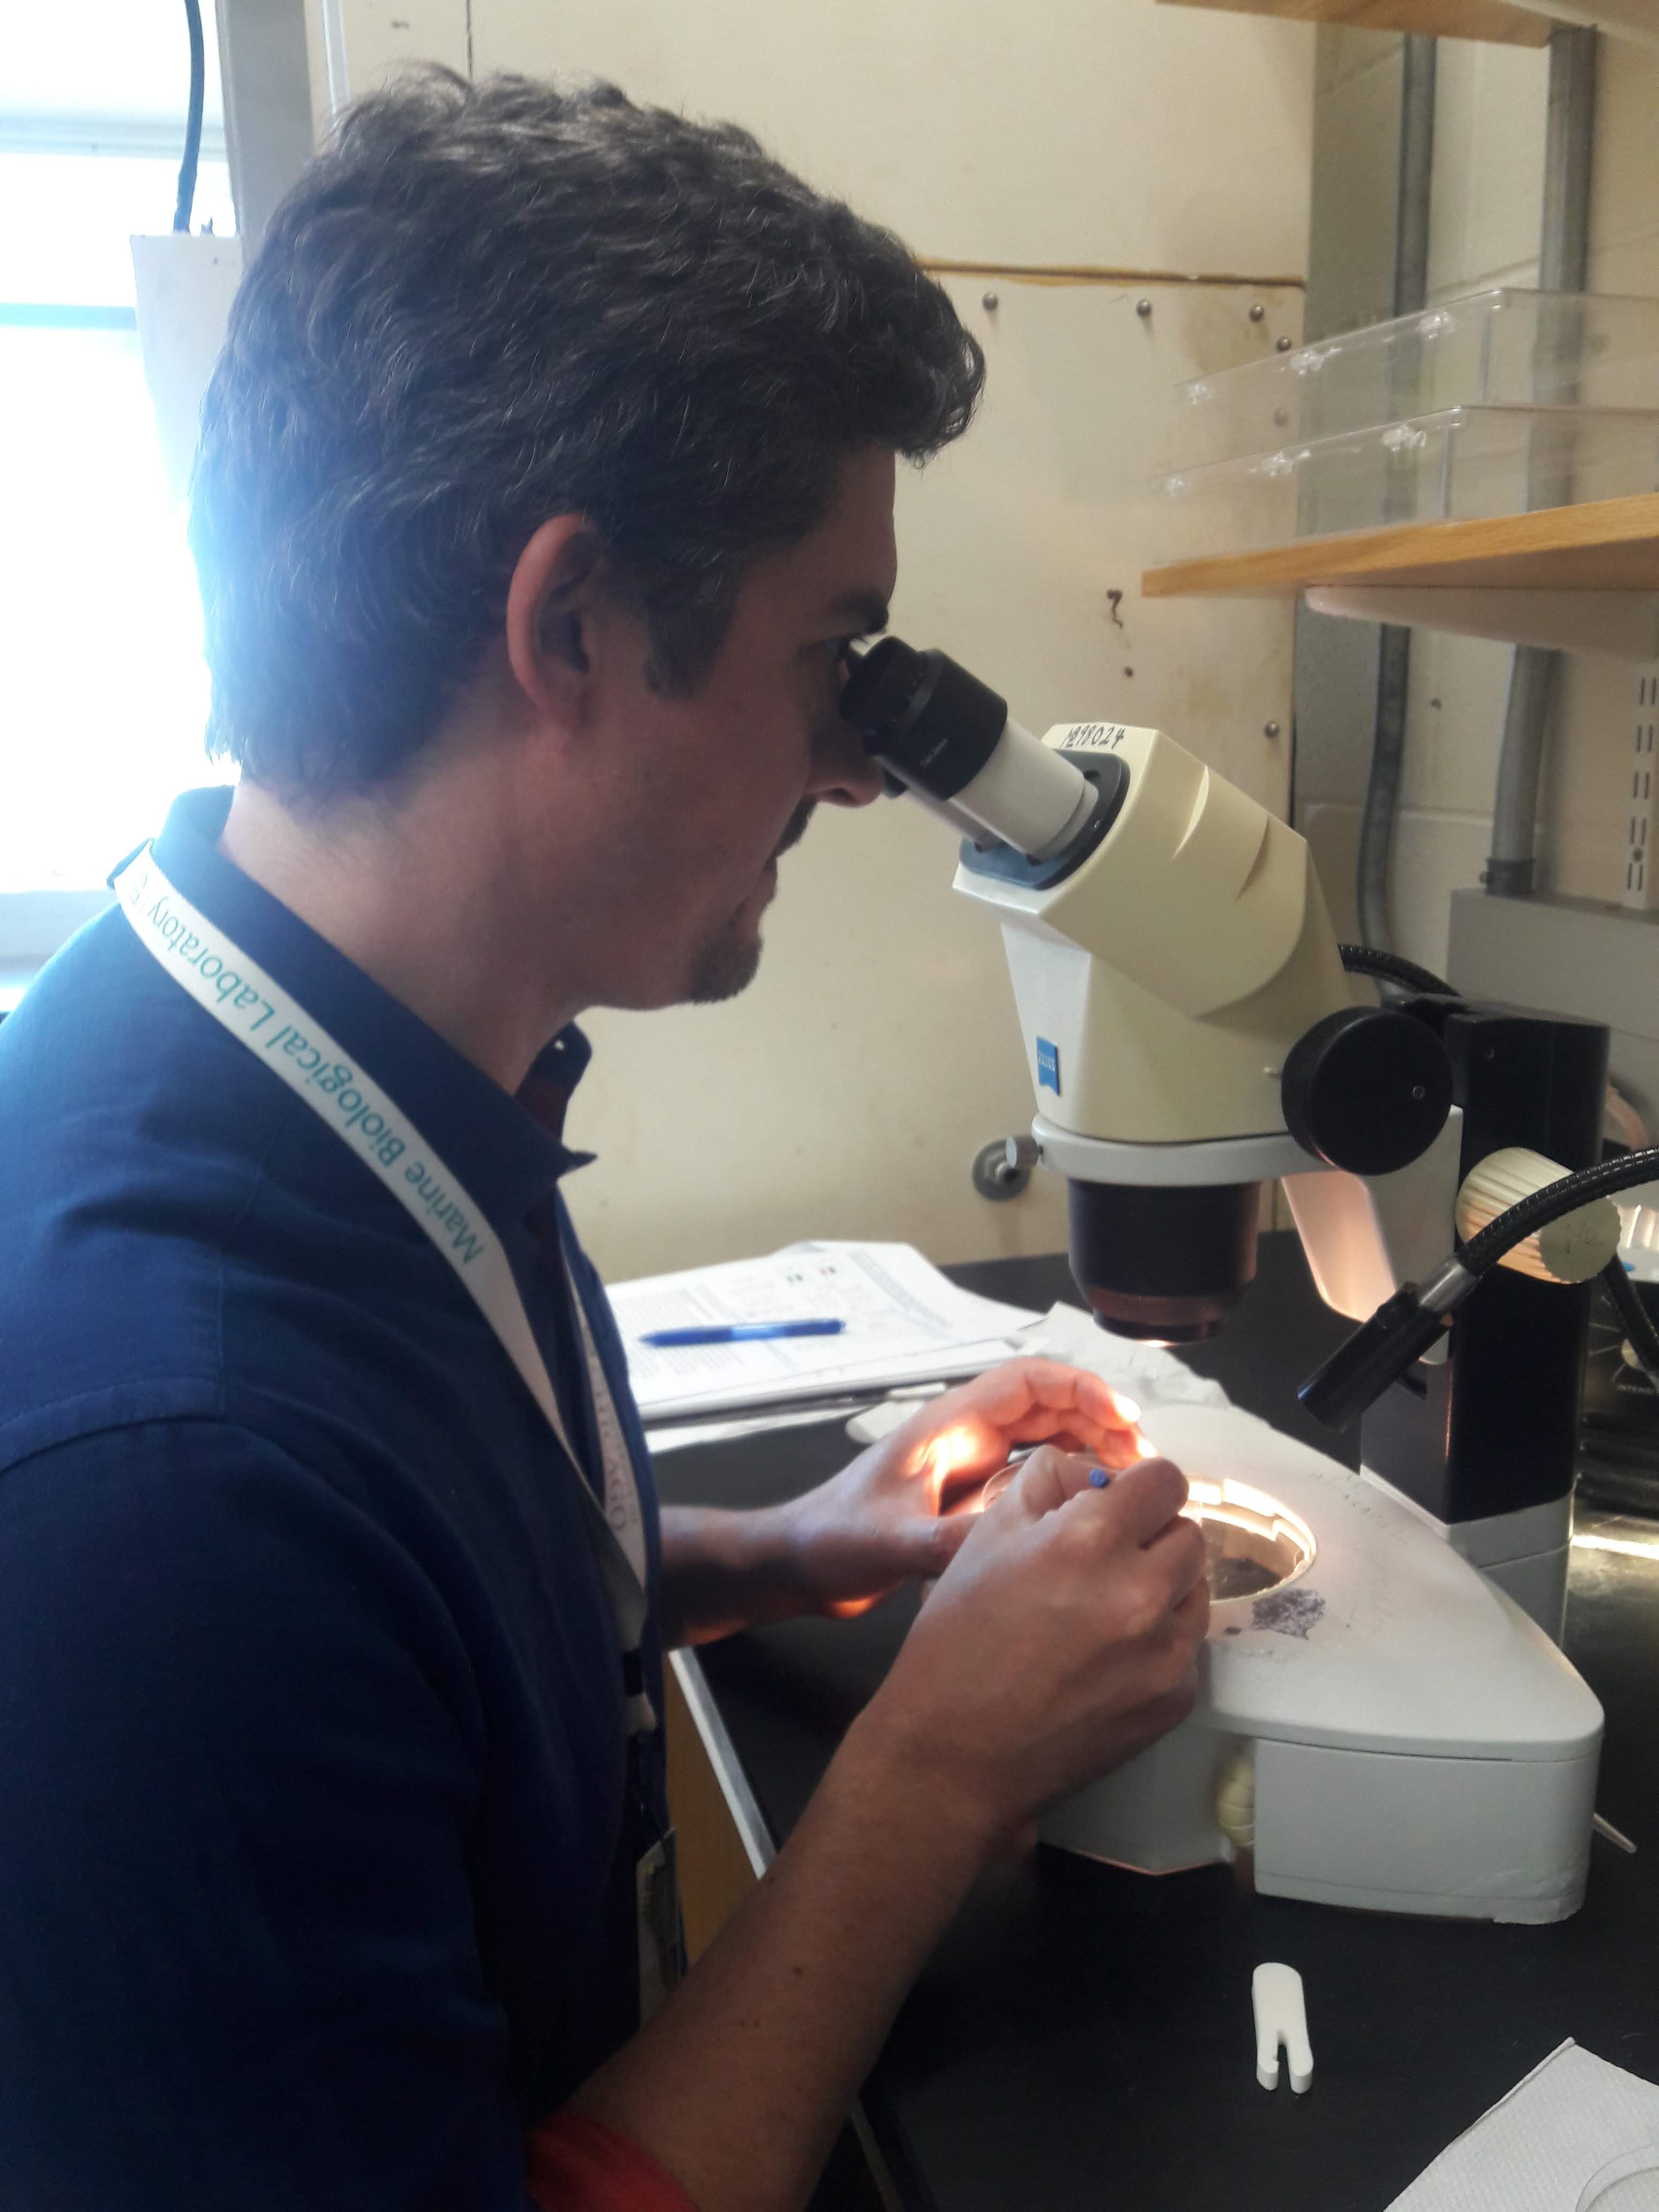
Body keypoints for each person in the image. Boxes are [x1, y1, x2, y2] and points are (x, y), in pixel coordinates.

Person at [0, 71, 1208, 2212]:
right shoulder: (167, 1480)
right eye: (836, 655)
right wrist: (934, 1771)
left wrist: (794, 1544)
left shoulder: (344, 1073)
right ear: (568, 627)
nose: (856, 770)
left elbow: (410, 1625)